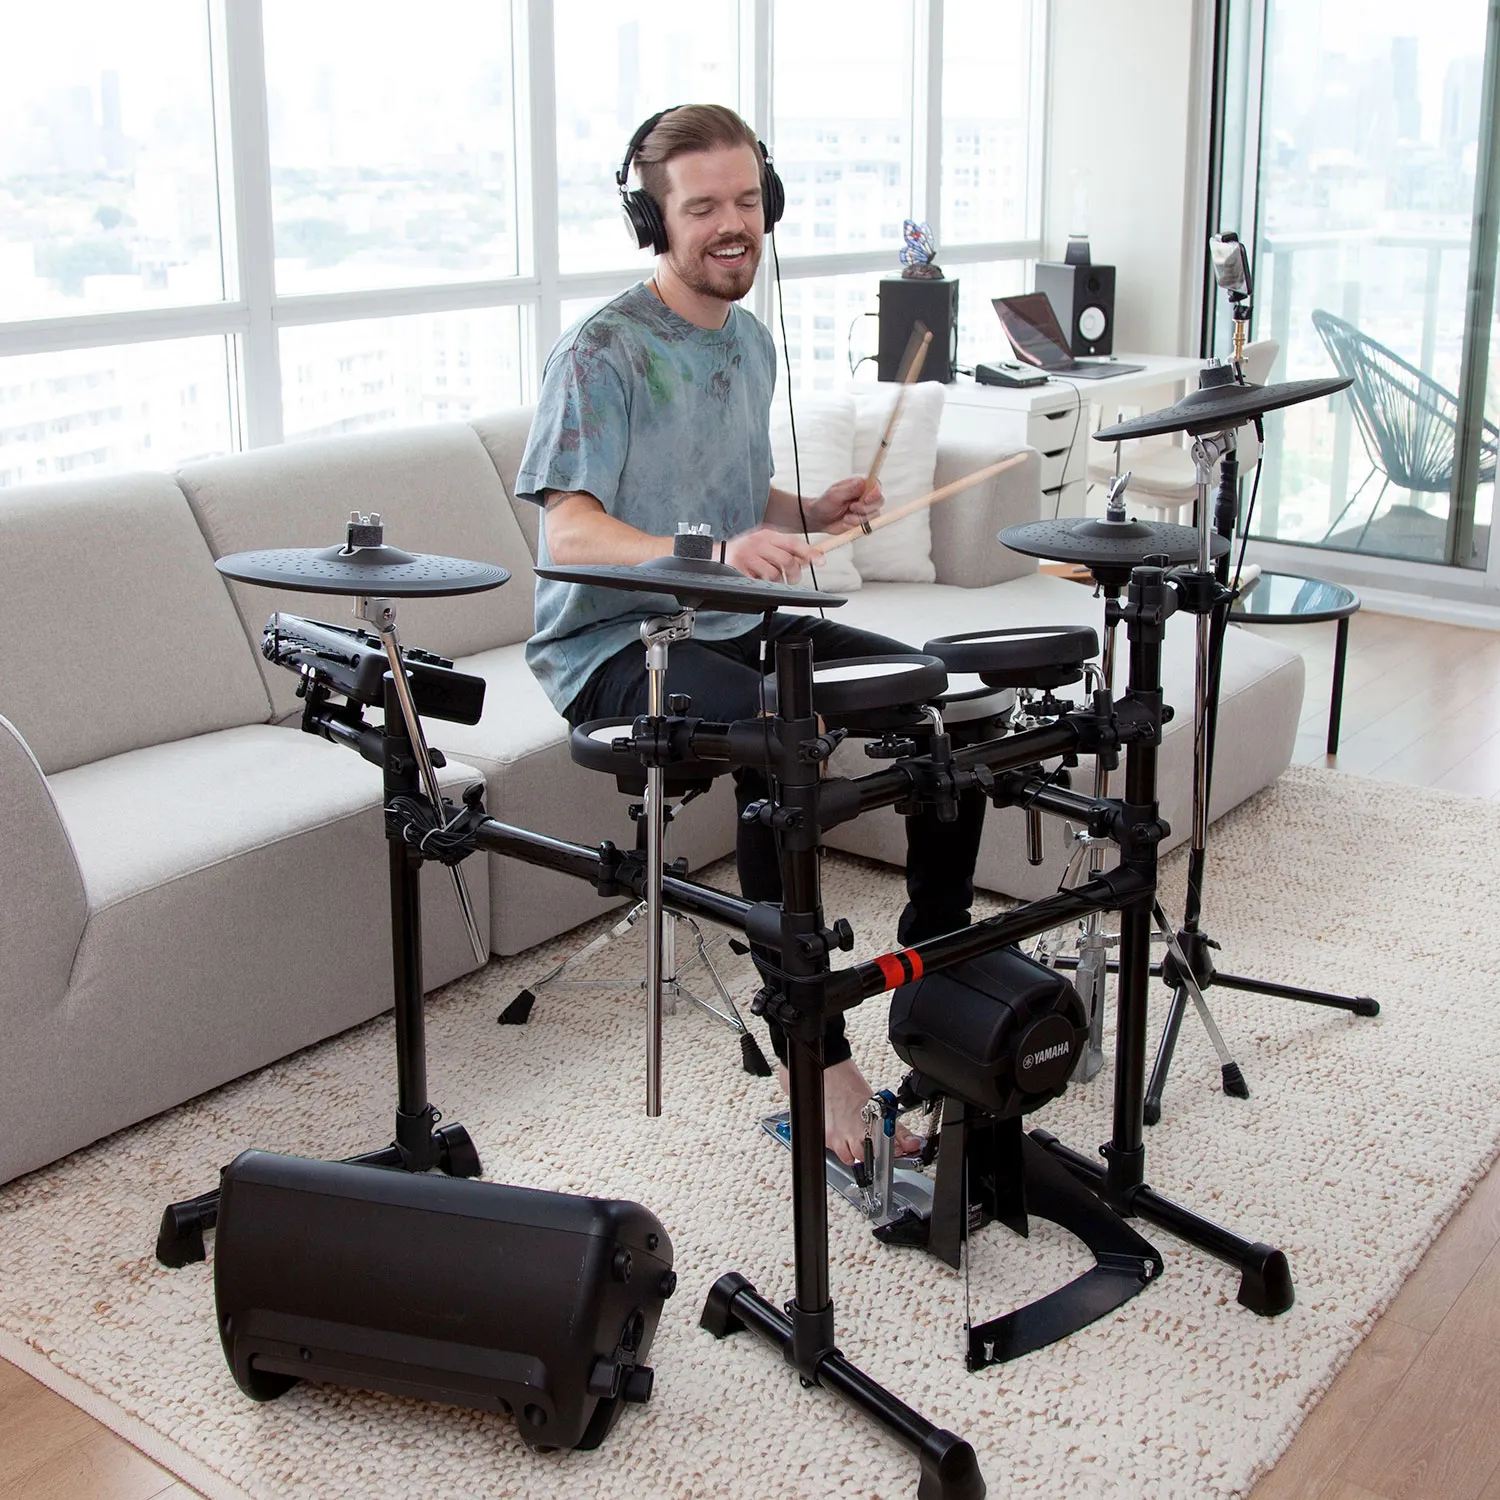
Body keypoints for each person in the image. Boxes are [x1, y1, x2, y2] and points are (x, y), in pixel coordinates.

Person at [515, 104, 986, 1164]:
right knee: (788, 740)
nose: (731, 225)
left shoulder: (751, 341)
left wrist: (806, 512)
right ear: (654, 220)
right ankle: (811, 1057)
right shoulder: (602, 352)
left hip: (733, 627)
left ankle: (940, 977)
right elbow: (572, 529)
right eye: (701, 208)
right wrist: (719, 554)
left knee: (939, 701)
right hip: (616, 652)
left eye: (745, 201)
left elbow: (728, 495)